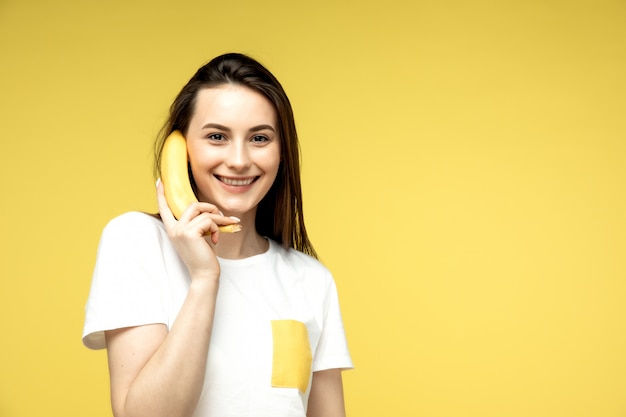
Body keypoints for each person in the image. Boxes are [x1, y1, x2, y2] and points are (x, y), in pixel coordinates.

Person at [82, 52, 353, 417]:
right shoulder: (136, 241)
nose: (239, 160)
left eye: (259, 138)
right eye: (216, 136)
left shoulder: (311, 280)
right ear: (180, 149)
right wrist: (205, 279)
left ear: (282, 152)